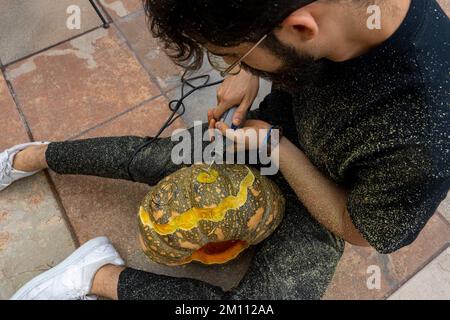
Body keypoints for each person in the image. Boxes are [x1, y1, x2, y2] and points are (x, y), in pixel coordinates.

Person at [3, 0, 449, 300]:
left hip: (322, 201)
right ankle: (34, 155)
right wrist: (248, 70)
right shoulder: (322, 17)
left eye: (232, 54)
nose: (228, 66)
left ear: (299, 28)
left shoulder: (426, 137)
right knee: (159, 158)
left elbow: (361, 230)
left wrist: (278, 150)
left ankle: (96, 275)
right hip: (267, 130)